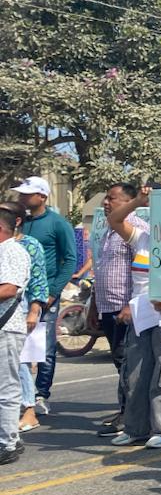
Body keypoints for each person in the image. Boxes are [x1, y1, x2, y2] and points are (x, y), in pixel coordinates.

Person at [105, 186, 161, 449]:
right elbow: (114, 220)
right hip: (142, 314)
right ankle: (136, 428)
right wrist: (138, 201)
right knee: (135, 372)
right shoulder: (142, 237)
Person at [14, 176, 75, 415]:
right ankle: (22, 394)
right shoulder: (21, 223)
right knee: (21, 348)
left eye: (26, 194)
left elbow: (70, 260)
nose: (21, 197)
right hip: (19, 295)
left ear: (42, 196)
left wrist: (53, 292)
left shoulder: (58, 223)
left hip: (45, 294)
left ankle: (41, 394)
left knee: (43, 348)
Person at [93, 184, 144, 438]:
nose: (105, 202)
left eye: (111, 198)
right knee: (120, 363)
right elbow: (102, 269)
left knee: (128, 363)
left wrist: (130, 305)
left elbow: (143, 268)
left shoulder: (135, 228)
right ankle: (126, 411)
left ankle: (131, 417)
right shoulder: (108, 230)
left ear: (127, 201)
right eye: (105, 198)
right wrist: (94, 306)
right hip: (108, 307)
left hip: (125, 309)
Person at [0, 203, 50, 433]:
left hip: (20, 312)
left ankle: (28, 411)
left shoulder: (28, 246)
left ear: (16, 220)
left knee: (22, 364)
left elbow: (38, 281)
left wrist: (34, 311)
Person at [0, 208, 32, 465]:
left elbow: (10, 288)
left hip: (6, 329)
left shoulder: (10, 251)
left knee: (6, 388)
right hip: (5, 329)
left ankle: (7, 443)